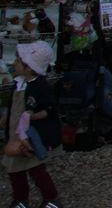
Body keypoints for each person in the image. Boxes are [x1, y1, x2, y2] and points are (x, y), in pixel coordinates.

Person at [3, 41, 62, 208]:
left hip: (30, 137)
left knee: (36, 170)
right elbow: (12, 109)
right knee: (15, 170)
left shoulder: (39, 87)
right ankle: (20, 200)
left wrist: (33, 116)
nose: (14, 63)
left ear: (28, 67)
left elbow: (49, 109)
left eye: (17, 60)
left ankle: (51, 199)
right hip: (15, 134)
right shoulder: (18, 83)